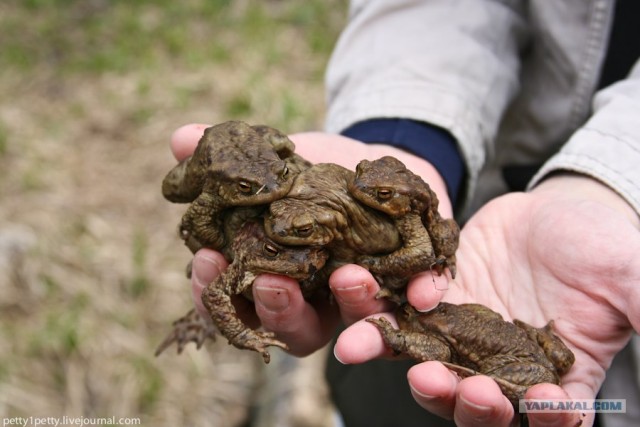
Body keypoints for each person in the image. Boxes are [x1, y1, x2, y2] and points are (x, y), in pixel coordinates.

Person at [169, 1, 640, 425]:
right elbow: (200, 225)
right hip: (464, 204)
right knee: (383, 388)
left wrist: (610, 184)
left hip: (483, 272)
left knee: (503, 394)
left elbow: (423, 251)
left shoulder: (419, 242)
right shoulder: (273, 226)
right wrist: (406, 133)